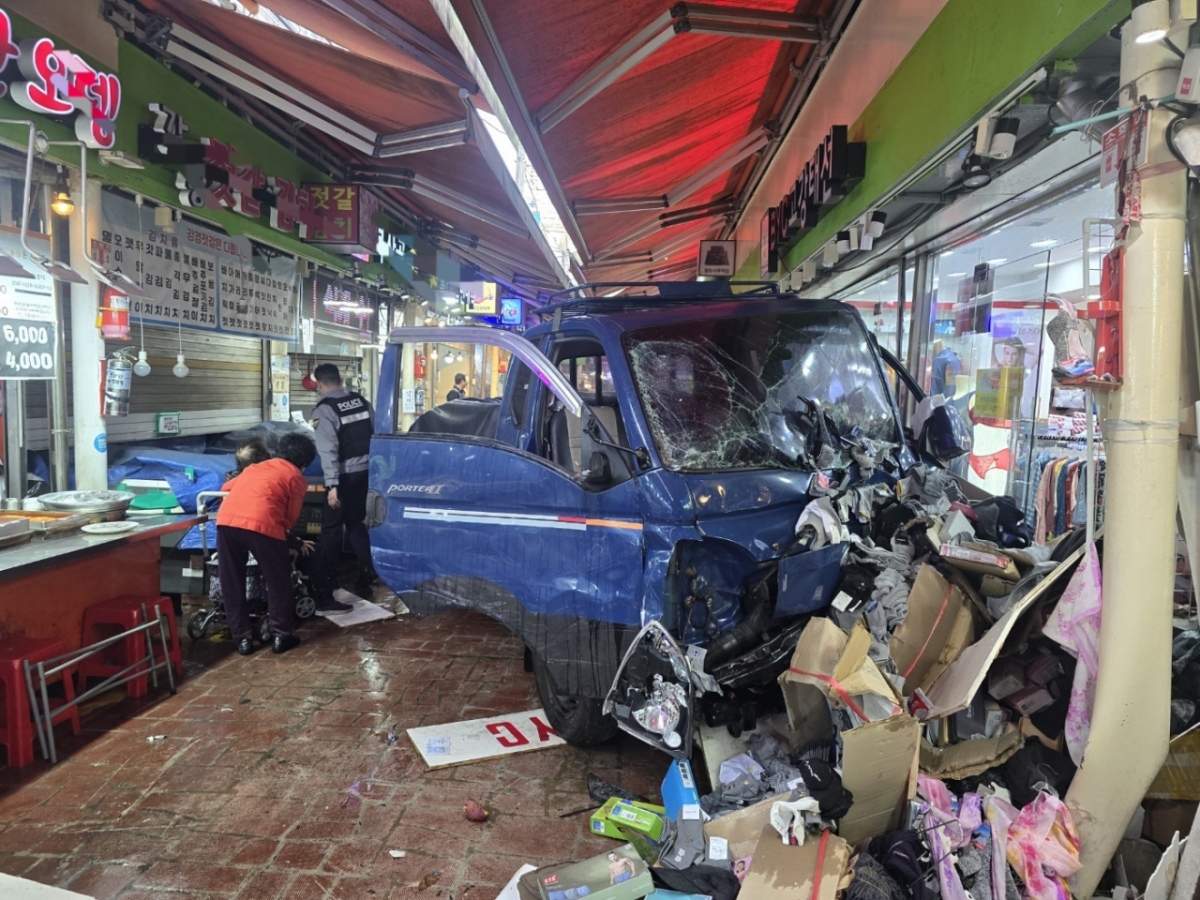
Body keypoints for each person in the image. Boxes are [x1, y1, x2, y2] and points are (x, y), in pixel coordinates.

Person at [216, 433, 316, 656]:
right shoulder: (295, 477)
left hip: (227, 522)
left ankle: (242, 639)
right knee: (278, 581)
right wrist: (287, 536)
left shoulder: (254, 467)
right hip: (263, 525)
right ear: (304, 464)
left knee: (232, 580)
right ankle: (282, 636)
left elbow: (225, 489)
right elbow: (290, 518)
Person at [311, 363, 376, 613]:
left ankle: (324, 588)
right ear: (340, 380)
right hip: (366, 472)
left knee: (331, 530)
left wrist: (332, 485)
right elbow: (376, 433)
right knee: (356, 522)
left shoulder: (324, 410)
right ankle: (368, 571)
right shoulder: (361, 401)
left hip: (344, 477)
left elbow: (328, 451)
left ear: (319, 384)